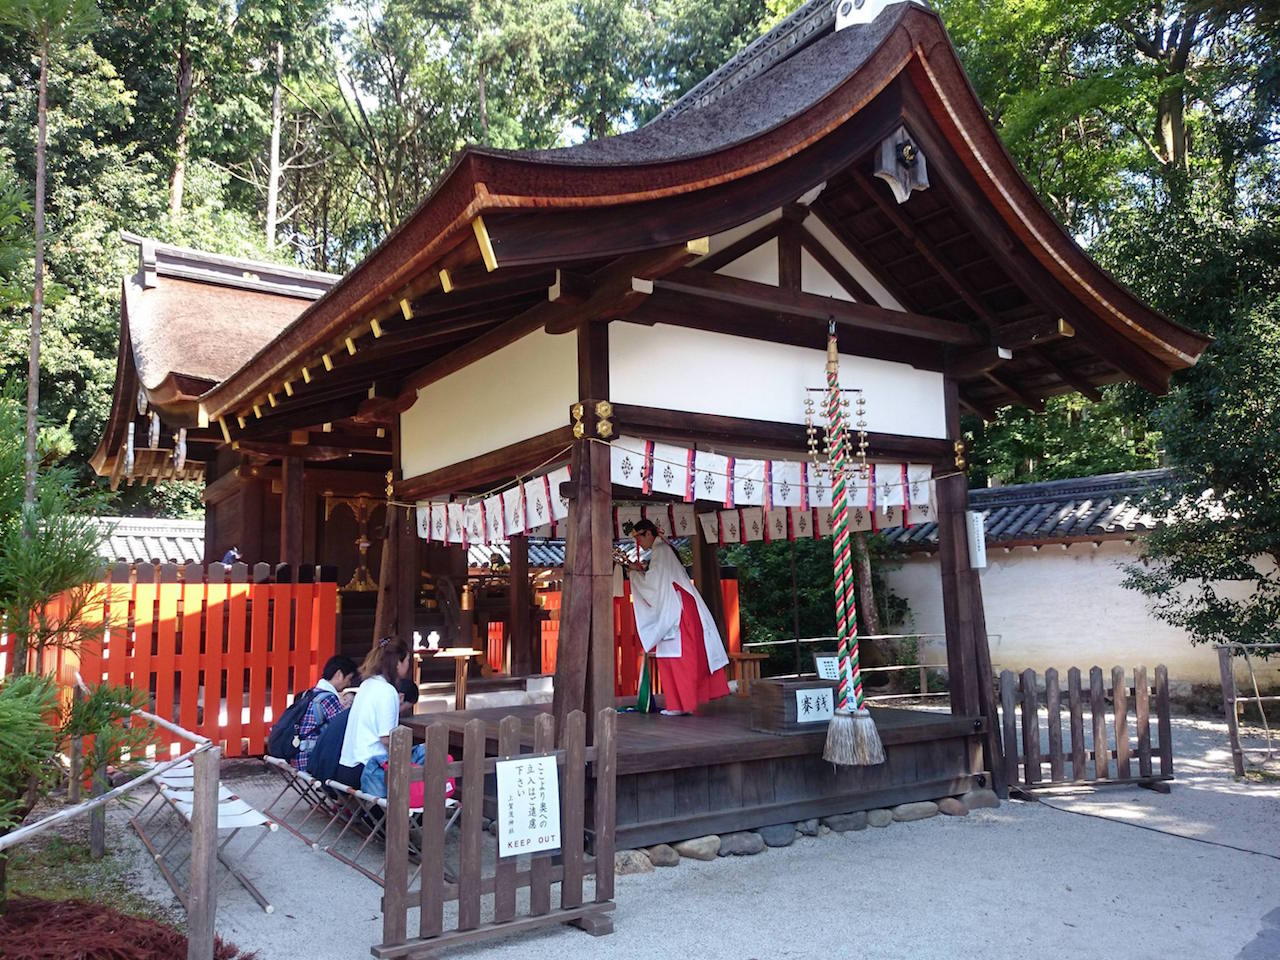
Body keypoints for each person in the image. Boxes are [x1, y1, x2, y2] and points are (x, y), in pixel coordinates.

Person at [623, 519, 730, 715]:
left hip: (677, 611)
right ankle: (679, 704)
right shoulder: (662, 550)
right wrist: (640, 573)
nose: (639, 543)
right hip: (678, 607)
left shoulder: (661, 551)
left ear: (648, 533)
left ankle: (683, 704)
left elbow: (654, 584)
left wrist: (635, 575)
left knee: (679, 659)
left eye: (639, 538)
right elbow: (658, 581)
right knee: (674, 658)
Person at [339, 637, 425, 797]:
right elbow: (386, 739)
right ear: (397, 663)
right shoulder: (387, 691)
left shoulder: (367, 684)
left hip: (347, 767)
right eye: (407, 660)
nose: (408, 665)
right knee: (423, 756)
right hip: (369, 770)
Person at [294, 655, 359, 772]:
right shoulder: (329, 698)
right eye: (349, 679)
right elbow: (342, 731)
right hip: (312, 760)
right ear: (339, 674)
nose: (349, 684)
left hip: (296, 756)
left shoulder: (310, 693)